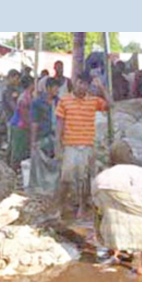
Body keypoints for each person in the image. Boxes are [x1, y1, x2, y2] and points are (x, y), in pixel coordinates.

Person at [92, 148, 142, 276]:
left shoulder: (137, 173)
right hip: (116, 186)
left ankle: (114, 254)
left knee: (112, 217)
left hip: (98, 183)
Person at [56, 73, 111, 219]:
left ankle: (82, 207)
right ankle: (60, 207)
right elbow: (60, 123)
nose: (83, 87)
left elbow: (110, 105)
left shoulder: (93, 101)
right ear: (76, 82)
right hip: (70, 144)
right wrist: (58, 144)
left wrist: (101, 88)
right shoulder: (64, 100)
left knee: (84, 178)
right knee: (65, 178)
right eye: (81, 83)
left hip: (87, 145)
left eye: (86, 84)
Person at [29, 77, 62, 194]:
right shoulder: (37, 103)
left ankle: (51, 187)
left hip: (55, 136)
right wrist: (33, 141)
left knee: (54, 161)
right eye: (55, 88)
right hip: (43, 134)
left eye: (58, 88)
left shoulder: (59, 102)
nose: (57, 90)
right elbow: (34, 122)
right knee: (40, 161)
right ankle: (39, 187)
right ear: (48, 88)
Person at [10, 76, 34, 168]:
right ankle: (14, 169)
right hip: (20, 126)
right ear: (31, 84)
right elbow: (24, 116)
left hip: (22, 125)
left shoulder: (28, 96)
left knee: (21, 150)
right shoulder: (25, 98)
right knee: (18, 151)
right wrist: (30, 127)